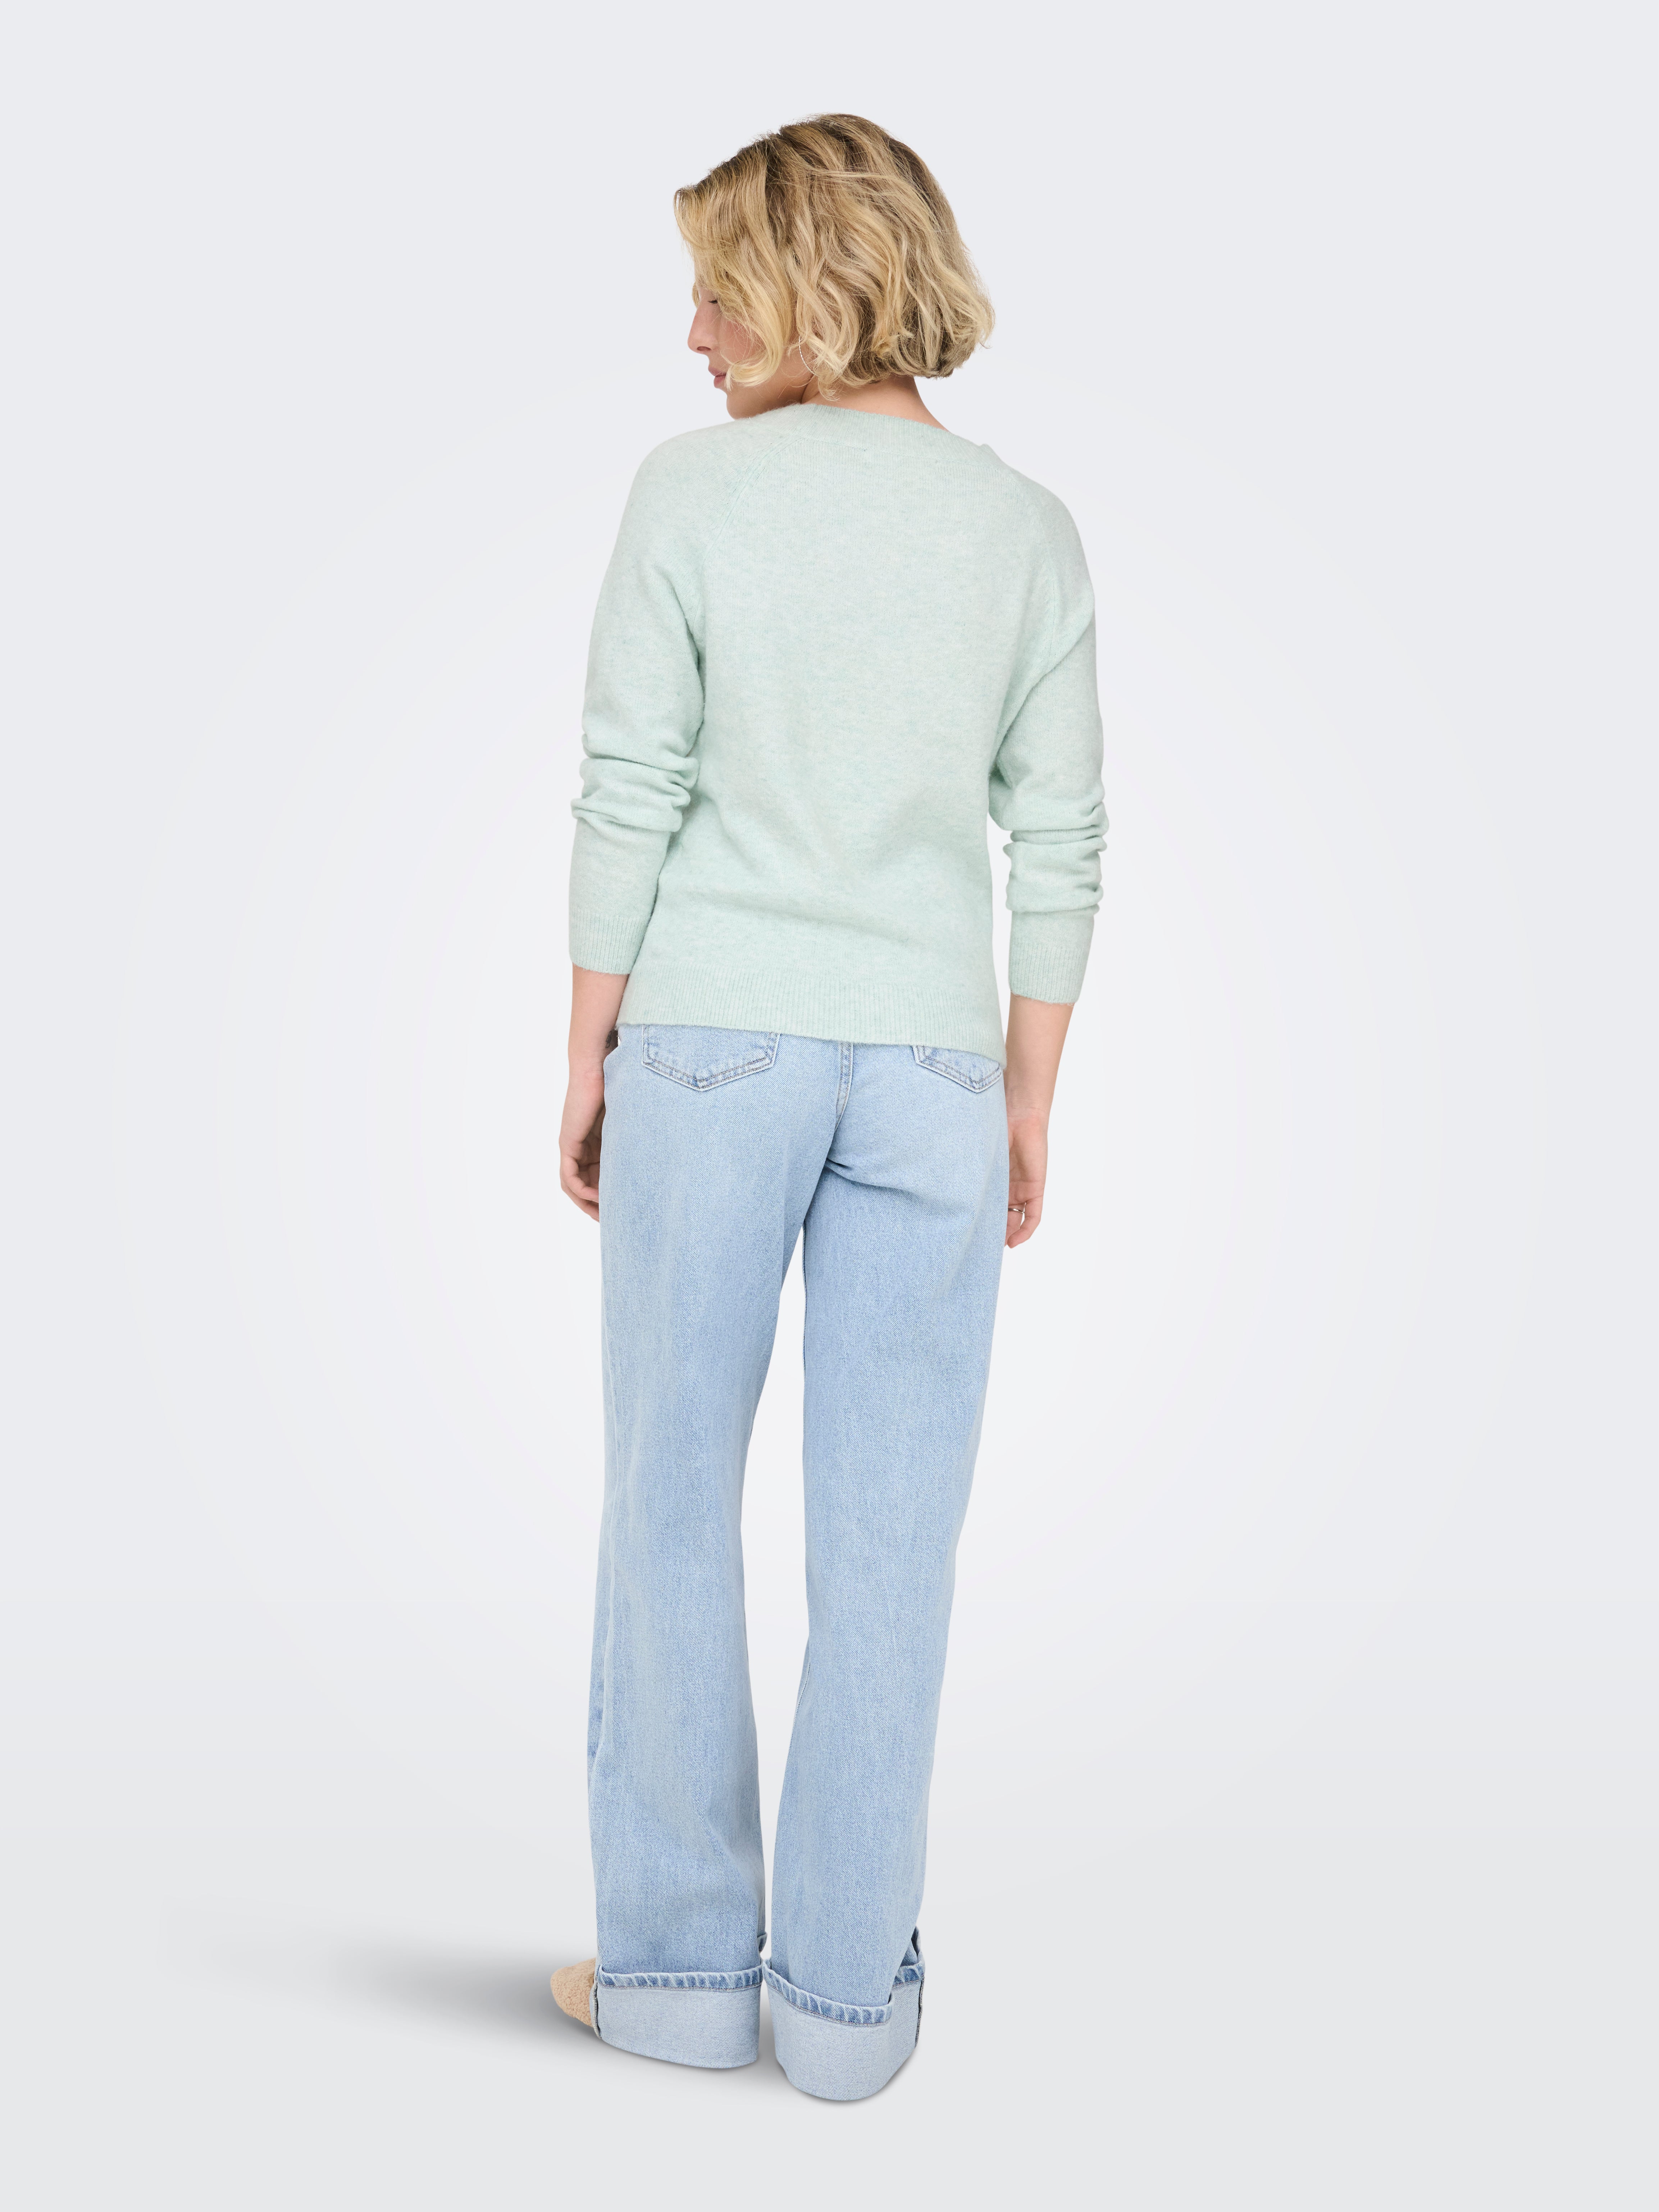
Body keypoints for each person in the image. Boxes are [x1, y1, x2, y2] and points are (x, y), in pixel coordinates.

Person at [550, 114, 1105, 2102]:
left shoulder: (691, 492)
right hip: (935, 1066)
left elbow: (633, 784)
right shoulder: (1025, 529)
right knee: (893, 1549)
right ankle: (850, 2018)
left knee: (666, 1506)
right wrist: (1025, 1092)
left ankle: (680, 1983)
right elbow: (1062, 835)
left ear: (810, 290)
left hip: (710, 1039)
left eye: (720, 291)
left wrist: (588, 1050)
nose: (694, 334)